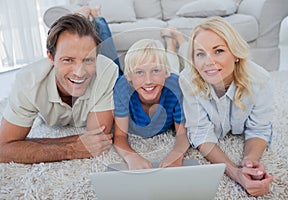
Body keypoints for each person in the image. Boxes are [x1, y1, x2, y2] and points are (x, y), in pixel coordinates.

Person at [175, 16, 274, 196]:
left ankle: (179, 40)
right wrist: (235, 173)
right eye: (200, 53)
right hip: (184, 64)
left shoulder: (260, 79)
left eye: (218, 50)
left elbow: (259, 129)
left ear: (236, 54)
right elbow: (200, 133)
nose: (208, 62)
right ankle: (174, 39)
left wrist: (249, 163)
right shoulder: (187, 78)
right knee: (176, 57)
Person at [0, 14, 118, 163]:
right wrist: (72, 149)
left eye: (88, 59)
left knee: (104, 33)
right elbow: (3, 149)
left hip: (110, 69)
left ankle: (93, 15)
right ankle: (86, 13)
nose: (79, 72)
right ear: (50, 57)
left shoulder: (107, 71)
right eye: (68, 60)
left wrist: (25, 144)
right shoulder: (28, 81)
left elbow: (98, 140)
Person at [113, 39, 190, 170]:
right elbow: (120, 136)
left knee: (176, 68)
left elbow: (182, 134)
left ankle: (171, 43)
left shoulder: (176, 86)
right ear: (129, 76)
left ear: (165, 73)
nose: (148, 81)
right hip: (160, 79)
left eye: (155, 70)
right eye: (139, 72)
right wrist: (131, 157)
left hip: (171, 78)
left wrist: (176, 155)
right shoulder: (122, 88)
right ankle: (169, 44)